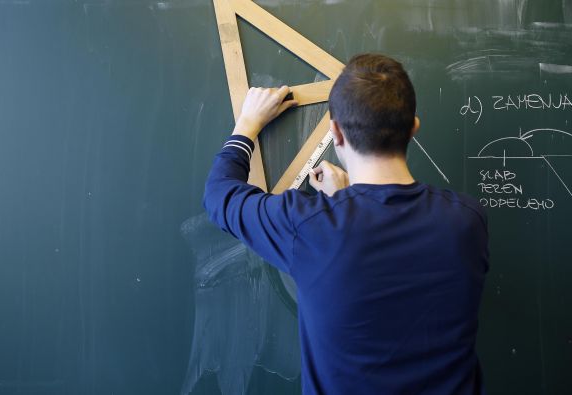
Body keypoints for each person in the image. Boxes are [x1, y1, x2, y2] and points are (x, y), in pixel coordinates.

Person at [203, 54, 489, 395]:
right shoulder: (467, 222)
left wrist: (247, 124)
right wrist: (349, 197)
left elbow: (219, 195)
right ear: (413, 126)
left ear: (335, 132)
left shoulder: (309, 227)